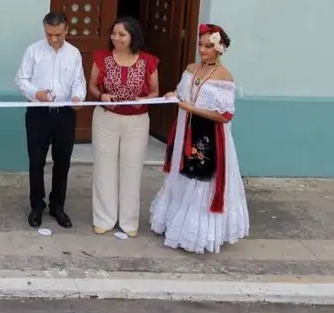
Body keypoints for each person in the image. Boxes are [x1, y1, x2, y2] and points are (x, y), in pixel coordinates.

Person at [150, 23, 249, 254]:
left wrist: (191, 108)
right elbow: (182, 92)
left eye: (207, 46)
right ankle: (175, 223)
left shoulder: (224, 76)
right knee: (181, 173)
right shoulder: (191, 68)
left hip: (209, 134)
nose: (202, 50)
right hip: (186, 128)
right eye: (200, 45)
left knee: (200, 178)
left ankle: (197, 233)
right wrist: (173, 95)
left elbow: (224, 116)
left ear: (219, 49)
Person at [88, 16, 160, 237]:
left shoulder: (148, 61)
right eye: (114, 34)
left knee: (132, 168)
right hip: (106, 118)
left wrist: (144, 100)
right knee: (104, 168)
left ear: (133, 37)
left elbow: (155, 91)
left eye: (122, 34)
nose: (116, 38)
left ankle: (129, 222)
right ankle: (104, 218)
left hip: (137, 122)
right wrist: (102, 95)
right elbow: (91, 85)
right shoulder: (102, 58)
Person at [14, 10, 86, 230]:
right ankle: (37, 206)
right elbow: (21, 79)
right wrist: (37, 94)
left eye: (58, 35)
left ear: (66, 30)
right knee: (36, 161)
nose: (53, 39)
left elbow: (78, 82)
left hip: (64, 114)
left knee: (62, 162)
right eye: (49, 34)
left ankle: (58, 206)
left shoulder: (74, 53)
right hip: (38, 113)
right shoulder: (33, 51)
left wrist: (78, 97)